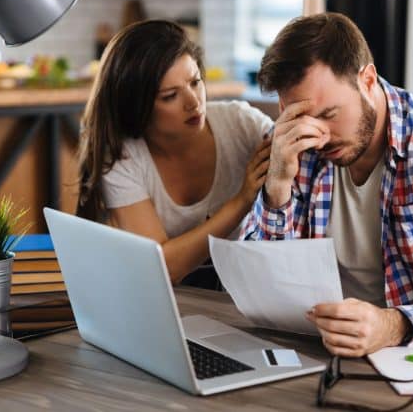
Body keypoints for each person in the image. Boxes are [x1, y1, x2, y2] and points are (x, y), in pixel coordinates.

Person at [242, 13, 413, 357]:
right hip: (318, 352)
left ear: (368, 80)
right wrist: (277, 186)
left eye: (329, 114)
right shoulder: (292, 144)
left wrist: (392, 325)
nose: (318, 136)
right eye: (299, 118)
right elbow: (261, 286)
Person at [78, 20, 273, 285]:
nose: (193, 102)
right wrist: (241, 201)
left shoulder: (243, 124)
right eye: (170, 96)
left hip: (244, 292)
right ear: (136, 105)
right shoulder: (122, 157)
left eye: (195, 82)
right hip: (167, 303)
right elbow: (161, 268)